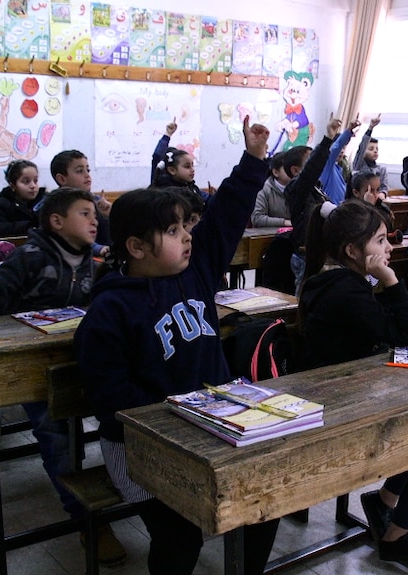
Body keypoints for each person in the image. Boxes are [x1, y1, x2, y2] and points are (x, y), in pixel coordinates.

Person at [73, 118, 280, 575]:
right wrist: (182, 417)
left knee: (264, 504)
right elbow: (109, 399)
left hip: (214, 422)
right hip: (141, 444)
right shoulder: (108, 313)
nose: (188, 235)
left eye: (187, 226)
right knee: (180, 533)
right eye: (173, 231)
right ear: (136, 247)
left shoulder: (196, 270)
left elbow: (226, 215)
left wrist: (253, 160)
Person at [0, 187, 128, 565]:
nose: (94, 221)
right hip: (34, 370)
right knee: (55, 437)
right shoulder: (30, 256)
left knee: (121, 414)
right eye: (84, 214)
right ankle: (84, 518)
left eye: (95, 214)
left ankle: (129, 490)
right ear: (57, 222)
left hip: (79, 362)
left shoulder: (93, 260)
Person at [298, 200, 408, 564]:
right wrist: (391, 280)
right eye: (380, 240)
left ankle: (383, 502)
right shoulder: (346, 291)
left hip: (343, 394)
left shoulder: (333, 280)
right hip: (340, 412)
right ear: (352, 251)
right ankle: (395, 537)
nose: (388, 248)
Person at [285, 114, 343, 294]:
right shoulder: (297, 188)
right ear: (296, 170)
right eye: (309, 161)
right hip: (305, 254)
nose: (318, 165)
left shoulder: (317, 189)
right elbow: (312, 169)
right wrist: (327, 140)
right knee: (304, 300)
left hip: (319, 252)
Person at [49, 149, 112, 248]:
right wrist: (99, 249)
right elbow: (72, 239)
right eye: (79, 171)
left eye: (88, 170)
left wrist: (109, 215)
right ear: (62, 179)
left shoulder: (96, 200)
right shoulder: (54, 205)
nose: (87, 175)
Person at [151, 120, 210, 202]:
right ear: (172, 170)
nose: (192, 169)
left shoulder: (192, 188)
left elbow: (209, 199)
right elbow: (157, 156)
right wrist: (167, 135)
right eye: (187, 166)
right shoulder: (161, 190)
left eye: (192, 165)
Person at [0, 160, 43, 237]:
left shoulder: (45, 201)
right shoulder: (0, 204)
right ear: (13, 186)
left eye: (35, 181)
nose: (33, 186)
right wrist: (28, 226)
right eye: (26, 181)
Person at [319, 115, 361, 204]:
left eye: (344, 148)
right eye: (341, 148)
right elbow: (334, 150)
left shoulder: (340, 167)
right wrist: (348, 130)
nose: (342, 151)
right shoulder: (326, 165)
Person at [250, 152, 291, 228]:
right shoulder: (263, 189)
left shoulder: (301, 188)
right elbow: (257, 218)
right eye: (287, 168)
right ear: (275, 172)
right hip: (269, 237)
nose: (292, 171)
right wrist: (284, 222)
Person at [351, 114, 388, 193]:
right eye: (371, 149)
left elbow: (384, 187)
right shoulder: (359, 164)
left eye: (376, 149)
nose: (375, 151)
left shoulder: (381, 169)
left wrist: (383, 194)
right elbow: (362, 147)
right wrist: (370, 127)